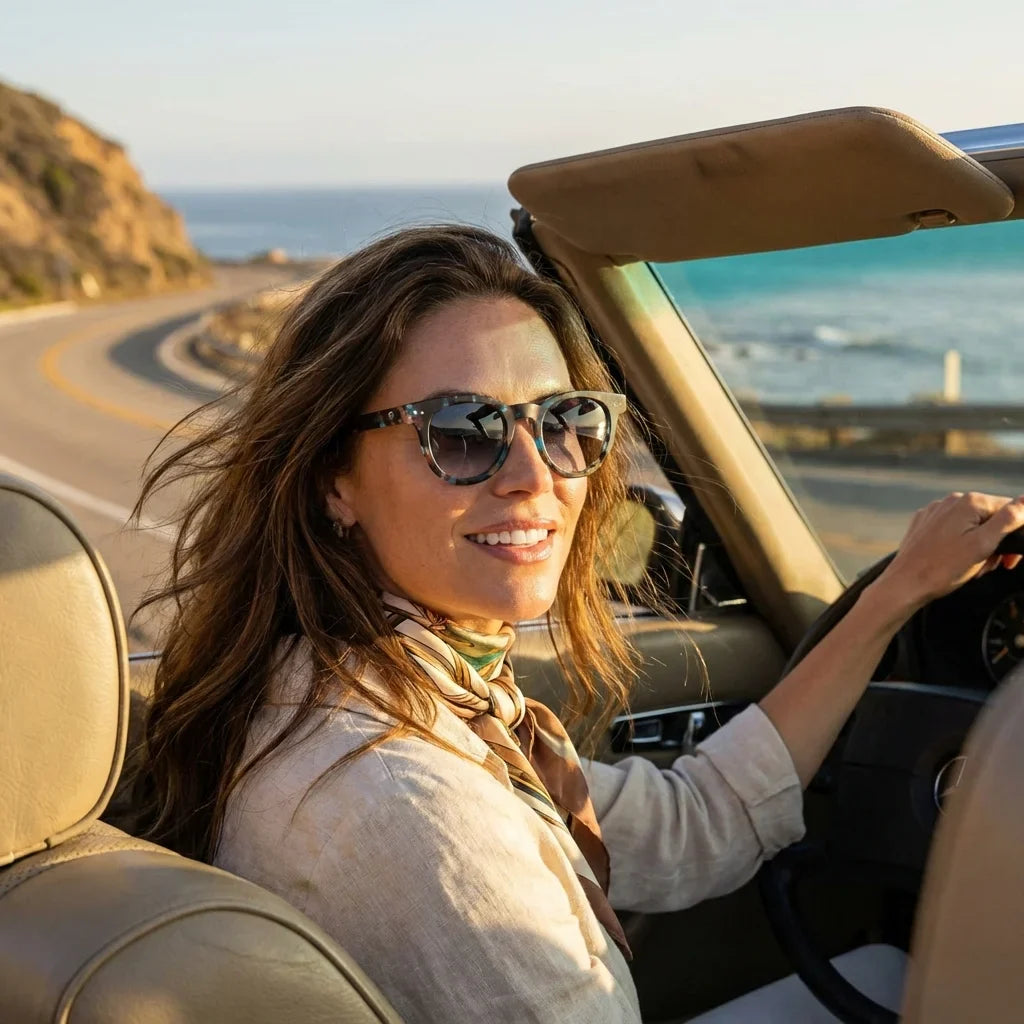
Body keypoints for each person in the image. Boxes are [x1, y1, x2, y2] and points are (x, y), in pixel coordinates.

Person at [134, 224, 1024, 1023]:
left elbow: (692, 821)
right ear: (334, 480)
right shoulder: (409, 806)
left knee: (882, 974)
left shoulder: (385, 691)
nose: (535, 475)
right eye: (462, 430)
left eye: (563, 421)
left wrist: (891, 596)